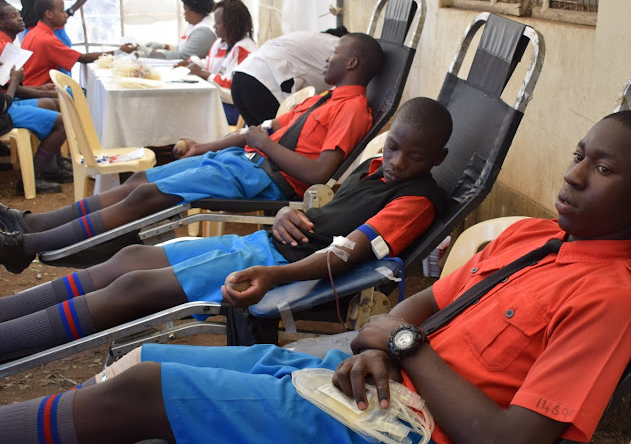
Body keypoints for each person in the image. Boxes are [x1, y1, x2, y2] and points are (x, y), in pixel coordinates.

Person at [0, 110, 631, 444]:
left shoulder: (611, 299)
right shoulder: (529, 240)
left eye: (603, 170)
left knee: (142, 392)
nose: (573, 177)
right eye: (577, 156)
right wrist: (386, 343)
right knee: (150, 379)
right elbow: (425, 304)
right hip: (356, 381)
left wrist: (402, 343)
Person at [0, 97, 450, 357]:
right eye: (393, 148)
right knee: (130, 258)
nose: (396, 162)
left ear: (437, 161)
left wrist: (276, 274)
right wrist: (283, 212)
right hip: (267, 244)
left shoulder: (416, 200)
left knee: (132, 286)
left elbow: (347, 253)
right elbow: (329, 214)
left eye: (414, 157)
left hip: (280, 266)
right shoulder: (375, 168)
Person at [0, 32, 384, 273]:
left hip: (263, 181)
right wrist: (205, 147)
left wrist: (262, 143)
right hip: (239, 162)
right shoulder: (324, 98)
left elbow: (319, 172)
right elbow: (254, 135)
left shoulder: (352, 108)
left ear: (351, 63)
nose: (325, 60)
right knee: (139, 180)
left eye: (334, 54)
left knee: (146, 196)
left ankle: (29, 246)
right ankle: (33, 226)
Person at [0, 1, 72, 193]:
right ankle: (31, 179)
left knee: (50, 103)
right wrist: (16, 81)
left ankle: (52, 166)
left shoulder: (8, 43)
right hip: (4, 112)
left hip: (7, 105)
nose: (20, 18)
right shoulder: (3, 45)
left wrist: (40, 90)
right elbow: (5, 101)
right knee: (61, 121)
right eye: (14, 16)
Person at [230, 29, 348, 127]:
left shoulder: (307, 38)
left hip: (240, 77)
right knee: (274, 142)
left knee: (257, 145)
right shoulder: (339, 45)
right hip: (261, 83)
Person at [20, 0, 132, 86]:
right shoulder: (47, 40)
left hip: (31, 85)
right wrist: (119, 51)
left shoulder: (33, 33)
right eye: (62, 11)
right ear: (49, 14)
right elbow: (83, 58)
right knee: (88, 96)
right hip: (41, 89)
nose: (65, 15)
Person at [0, 0, 94, 73]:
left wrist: (70, 11)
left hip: (57, 32)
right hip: (31, 29)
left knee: (63, 74)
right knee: (34, 70)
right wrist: (13, 11)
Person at [184, 0, 256, 125]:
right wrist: (193, 63)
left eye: (218, 23)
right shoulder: (220, 43)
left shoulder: (245, 50)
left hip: (235, 108)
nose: (214, 26)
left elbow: (234, 89)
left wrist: (204, 74)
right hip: (219, 100)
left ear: (230, 25)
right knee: (186, 105)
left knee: (192, 113)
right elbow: (211, 64)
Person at [141, 0, 216, 61]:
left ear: (197, 10)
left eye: (186, 9)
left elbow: (182, 56)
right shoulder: (196, 24)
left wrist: (150, 53)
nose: (184, 14)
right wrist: (164, 46)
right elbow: (184, 48)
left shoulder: (204, 32)